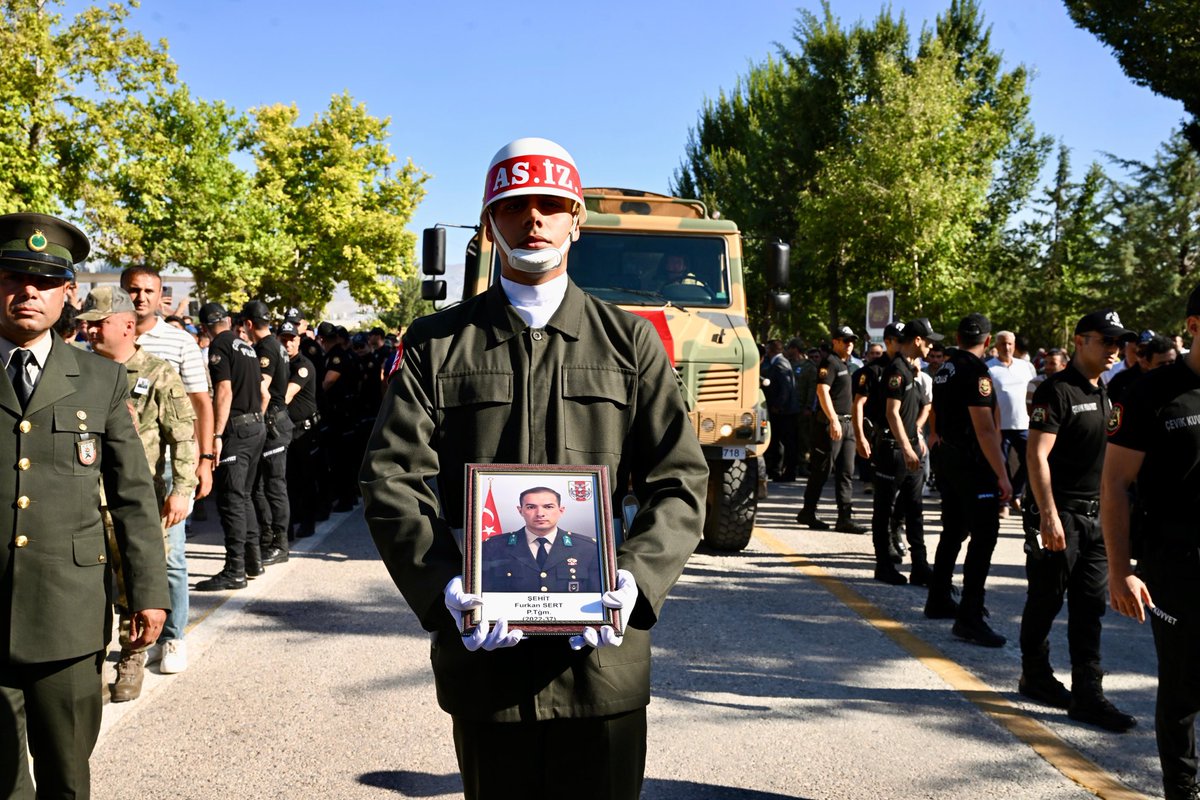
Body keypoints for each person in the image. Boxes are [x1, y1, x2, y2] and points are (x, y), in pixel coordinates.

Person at [360, 137, 708, 800]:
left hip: (602, 661)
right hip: (487, 660)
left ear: (578, 220)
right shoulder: (438, 344)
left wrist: (636, 578)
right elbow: (390, 477)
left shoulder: (630, 341)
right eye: (516, 205)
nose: (535, 220)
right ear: (490, 222)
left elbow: (680, 477)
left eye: (552, 205)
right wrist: (444, 591)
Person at [0, 213, 169, 796]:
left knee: (67, 779)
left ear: (67, 292)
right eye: (13, 277)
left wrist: (148, 592)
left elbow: (132, 495)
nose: (27, 292)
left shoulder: (100, 380)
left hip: (67, 613)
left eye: (44, 281)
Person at [1018, 310, 1137, 733]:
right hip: (1062, 516)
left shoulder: (1105, 389)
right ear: (1080, 340)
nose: (1114, 350)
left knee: (1090, 608)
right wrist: (1048, 515)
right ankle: (1035, 674)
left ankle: (1088, 694)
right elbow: (1036, 456)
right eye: (1106, 341)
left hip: (1097, 517)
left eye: (1117, 343)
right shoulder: (1057, 391)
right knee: (1046, 599)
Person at [1102, 282, 1200, 799]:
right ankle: (1183, 793)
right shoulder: (1149, 392)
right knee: (1183, 692)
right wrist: (1120, 571)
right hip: (1176, 565)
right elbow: (1115, 484)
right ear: (1194, 327)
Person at [79, 286, 197, 703]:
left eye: (99, 323)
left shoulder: (158, 373)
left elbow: (183, 436)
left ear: (128, 326)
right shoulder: (78, 373)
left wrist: (183, 489)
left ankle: (132, 656)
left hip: (137, 499)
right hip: (85, 500)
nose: (90, 330)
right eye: (86, 324)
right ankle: (89, 661)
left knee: (137, 581)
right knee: (90, 584)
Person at [120, 265, 214, 673]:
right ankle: (133, 638)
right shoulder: (102, 338)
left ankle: (173, 636)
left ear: (162, 297)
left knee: (171, 557)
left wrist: (204, 462)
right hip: (115, 470)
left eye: (148, 291)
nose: (140, 298)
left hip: (166, 469)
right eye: (132, 290)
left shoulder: (178, 342)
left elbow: (201, 403)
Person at [927, 313, 1011, 646]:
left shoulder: (945, 368)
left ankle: (938, 597)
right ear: (987, 341)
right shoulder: (976, 372)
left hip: (949, 457)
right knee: (984, 534)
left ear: (958, 337)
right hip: (972, 463)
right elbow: (985, 428)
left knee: (954, 529)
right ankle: (970, 616)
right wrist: (1003, 474)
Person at [195, 302, 267, 591]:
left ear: (203, 327)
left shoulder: (220, 347)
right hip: (255, 425)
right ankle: (253, 561)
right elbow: (263, 391)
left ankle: (235, 569)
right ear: (227, 320)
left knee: (232, 501)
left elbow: (223, 391)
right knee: (245, 497)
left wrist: (216, 434)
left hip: (236, 428)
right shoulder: (245, 345)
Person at [870, 319, 939, 585]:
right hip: (893, 450)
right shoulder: (896, 370)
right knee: (884, 509)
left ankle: (920, 565)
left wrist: (917, 437)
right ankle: (883, 565)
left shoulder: (912, 371)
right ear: (917, 340)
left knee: (915, 509)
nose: (931, 346)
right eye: (928, 340)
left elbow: (922, 407)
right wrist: (906, 447)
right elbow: (891, 413)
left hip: (911, 448)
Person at [241, 300, 294, 565]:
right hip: (277, 420)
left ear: (249, 324)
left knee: (272, 486)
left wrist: (257, 423)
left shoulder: (266, 348)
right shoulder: (277, 345)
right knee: (264, 486)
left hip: (271, 423)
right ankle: (270, 538)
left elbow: (263, 389)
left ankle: (279, 544)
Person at [797, 325, 865, 533]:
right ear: (835, 342)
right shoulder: (830, 363)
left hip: (847, 424)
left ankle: (844, 517)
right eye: (845, 340)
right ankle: (808, 511)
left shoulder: (846, 364)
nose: (850, 344)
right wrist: (833, 420)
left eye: (852, 341)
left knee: (846, 472)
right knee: (822, 469)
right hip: (831, 424)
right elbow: (821, 391)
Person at [481, 487, 601, 593]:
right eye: (531, 507)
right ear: (520, 510)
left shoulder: (588, 549)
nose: (540, 513)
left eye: (548, 507)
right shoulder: (493, 547)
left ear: (561, 510)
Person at [988, 330, 1038, 517]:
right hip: (999, 426)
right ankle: (1003, 503)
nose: (1006, 347)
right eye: (1002, 344)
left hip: (1023, 424)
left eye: (1009, 343)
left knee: (1031, 459)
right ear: (996, 345)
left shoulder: (1027, 367)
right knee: (1001, 464)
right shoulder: (989, 368)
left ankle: (1016, 494)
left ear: (1014, 345)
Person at [278, 320, 320, 539]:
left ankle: (308, 521)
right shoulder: (279, 363)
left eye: (291, 339)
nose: (287, 344)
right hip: (286, 430)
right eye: (283, 339)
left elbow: (286, 395)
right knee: (289, 479)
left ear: (298, 340)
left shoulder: (303, 364)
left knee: (306, 478)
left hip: (304, 431)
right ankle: (292, 521)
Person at [762, 339, 799, 482]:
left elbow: (786, 387)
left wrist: (779, 405)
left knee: (786, 443)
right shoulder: (777, 363)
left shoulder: (780, 363)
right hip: (783, 410)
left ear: (771, 350)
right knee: (779, 441)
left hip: (785, 411)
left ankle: (788, 472)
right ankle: (776, 470)